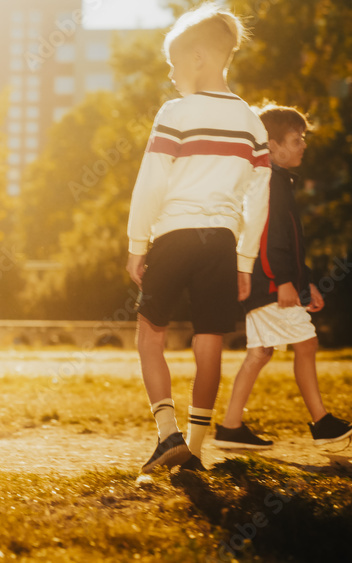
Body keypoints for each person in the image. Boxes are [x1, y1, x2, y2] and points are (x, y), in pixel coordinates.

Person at [125, 3, 271, 473]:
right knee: (209, 340)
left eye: (174, 62)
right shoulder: (253, 122)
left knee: (150, 334)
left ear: (200, 57)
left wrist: (136, 244)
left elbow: (151, 181)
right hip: (222, 243)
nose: (170, 74)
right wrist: (245, 261)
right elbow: (259, 200)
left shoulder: (176, 112)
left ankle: (167, 434)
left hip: (173, 235)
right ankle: (195, 447)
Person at [213, 105, 352, 449]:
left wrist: (305, 284)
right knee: (306, 343)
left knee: (260, 353)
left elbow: (289, 241)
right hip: (270, 284)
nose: (303, 145)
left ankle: (230, 428)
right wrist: (284, 282)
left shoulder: (278, 181)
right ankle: (322, 423)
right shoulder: (268, 183)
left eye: (303, 139)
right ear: (271, 146)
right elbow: (267, 238)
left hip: (270, 283)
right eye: (296, 139)